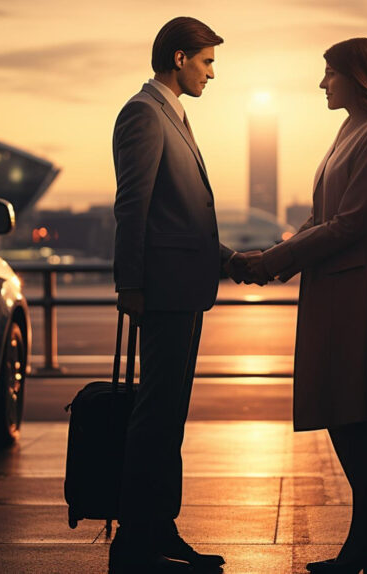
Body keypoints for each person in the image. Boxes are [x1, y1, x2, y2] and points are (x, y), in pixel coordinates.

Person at [234, 38, 367, 574]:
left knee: (355, 403)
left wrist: (275, 260)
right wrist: (276, 256)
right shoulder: (351, 130)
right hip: (338, 278)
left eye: (329, 74)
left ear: (357, 76)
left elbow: (353, 221)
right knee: (343, 403)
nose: (322, 84)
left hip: (360, 281)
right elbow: (323, 217)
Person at [110, 16, 252, 574]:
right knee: (156, 416)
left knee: (168, 416)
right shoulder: (143, 114)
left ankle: (158, 528)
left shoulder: (173, 116)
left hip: (182, 288)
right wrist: (132, 284)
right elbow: (133, 206)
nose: (211, 73)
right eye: (207, 61)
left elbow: (183, 219)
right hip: (163, 292)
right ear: (178, 58)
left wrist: (226, 260)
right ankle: (136, 539)